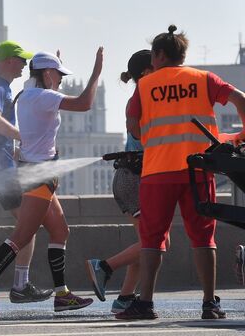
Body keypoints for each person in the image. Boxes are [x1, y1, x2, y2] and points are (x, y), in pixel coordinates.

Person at [115, 26, 245, 321]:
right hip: (198, 170)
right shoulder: (203, 79)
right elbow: (240, 98)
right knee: (202, 237)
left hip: (158, 171)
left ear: (160, 54)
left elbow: (133, 124)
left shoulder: (145, 85)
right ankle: (210, 304)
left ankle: (145, 304)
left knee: (151, 238)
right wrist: (238, 138)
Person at [0, 48, 103, 318]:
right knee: (21, 236)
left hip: (38, 173)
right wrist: (96, 72)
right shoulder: (44, 96)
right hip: (39, 175)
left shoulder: (27, 95)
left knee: (59, 231)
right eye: (59, 74)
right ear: (49, 74)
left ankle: (62, 295)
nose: (61, 80)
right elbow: (85, 103)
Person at [0, 40, 52, 304]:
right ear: (8, 61)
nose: (24, 65)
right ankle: (18, 285)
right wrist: (24, 137)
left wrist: (15, 147)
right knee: (28, 225)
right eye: (21, 60)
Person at [86, 50, 156, 312]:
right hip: (134, 180)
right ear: (147, 73)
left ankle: (125, 299)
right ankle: (103, 267)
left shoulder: (143, 97)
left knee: (145, 242)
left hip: (130, 179)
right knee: (157, 243)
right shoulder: (143, 98)